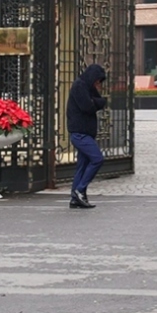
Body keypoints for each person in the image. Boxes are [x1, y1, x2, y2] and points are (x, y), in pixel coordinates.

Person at [66, 63, 107, 209]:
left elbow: (101, 102)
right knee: (97, 159)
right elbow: (88, 107)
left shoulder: (88, 88)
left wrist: (95, 101)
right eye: (97, 81)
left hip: (85, 133)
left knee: (82, 165)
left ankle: (75, 198)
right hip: (80, 133)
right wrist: (96, 102)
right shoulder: (80, 86)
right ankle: (79, 190)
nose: (98, 85)